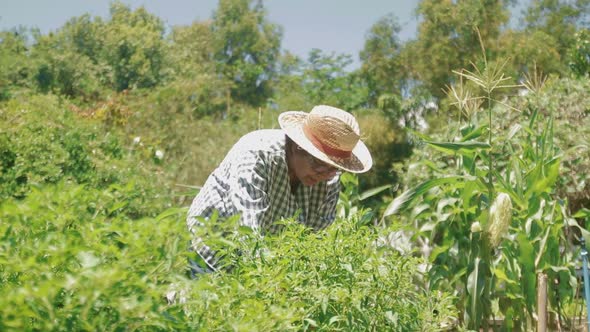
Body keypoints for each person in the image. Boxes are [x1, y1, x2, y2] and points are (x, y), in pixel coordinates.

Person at [186, 105, 373, 273]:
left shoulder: (329, 179)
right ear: (297, 147)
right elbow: (248, 229)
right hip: (213, 246)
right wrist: (274, 281)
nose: (325, 174)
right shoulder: (256, 154)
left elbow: (313, 239)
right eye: (318, 164)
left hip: (266, 260)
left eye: (335, 168)